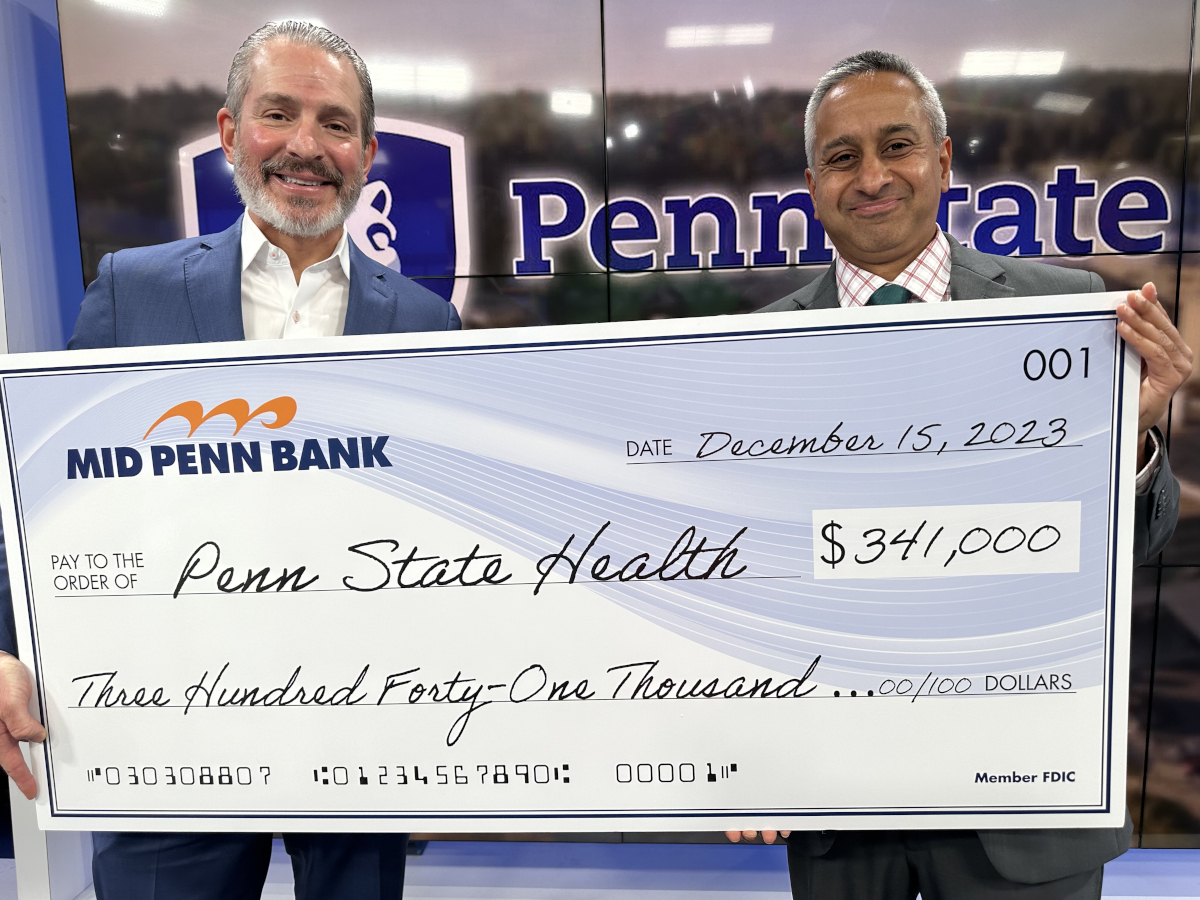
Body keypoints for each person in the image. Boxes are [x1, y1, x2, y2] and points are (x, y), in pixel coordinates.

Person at [0, 20, 459, 900]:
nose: (304, 146)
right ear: (227, 132)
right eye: (277, 113)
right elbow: (43, 489)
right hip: (171, 727)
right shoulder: (132, 290)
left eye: (333, 124)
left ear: (365, 152)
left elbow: (447, 525)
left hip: (365, 724)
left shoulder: (424, 322)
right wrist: (10, 648)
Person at [726, 50, 1193, 900]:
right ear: (811, 183)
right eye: (842, 157)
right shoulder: (751, 352)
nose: (871, 177)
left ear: (942, 159)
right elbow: (736, 571)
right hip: (837, 801)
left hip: (1024, 808)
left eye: (895, 146)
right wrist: (744, 746)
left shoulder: (1068, 312)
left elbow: (1140, 543)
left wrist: (1133, 435)